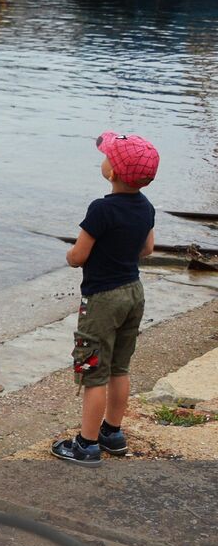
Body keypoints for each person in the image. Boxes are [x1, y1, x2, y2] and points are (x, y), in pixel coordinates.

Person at [52, 132, 158, 465]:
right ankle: (112, 432)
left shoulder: (100, 209)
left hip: (102, 299)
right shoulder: (147, 208)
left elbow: (79, 255)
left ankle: (86, 444)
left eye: (107, 156)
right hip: (133, 292)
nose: (104, 159)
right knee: (119, 367)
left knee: (93, 371)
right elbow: (148, 249)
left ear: (112, 172)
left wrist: (70, 255)